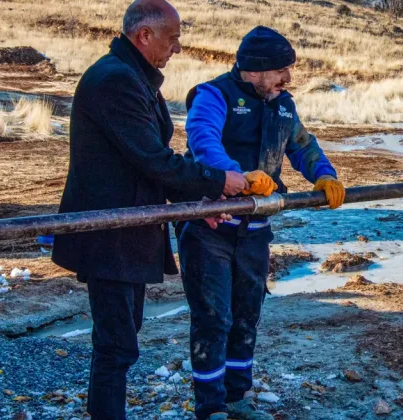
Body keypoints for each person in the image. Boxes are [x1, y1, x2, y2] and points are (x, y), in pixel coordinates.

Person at [51, 1, 248, 418]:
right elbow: (153, 160)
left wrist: (195, 206)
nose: (177, 48)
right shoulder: (116, 81)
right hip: (109, 234)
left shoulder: (133, 77)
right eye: (173, 38)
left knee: (120, 339)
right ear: (145, 35)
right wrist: (216, 181)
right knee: (116, 344)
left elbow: (149, 160)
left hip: (129, 230)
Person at [178, 26, 345, 420]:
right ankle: (211, 407)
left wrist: (324, 175)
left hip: (255, 232)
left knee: (246, 315)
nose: (288, 78)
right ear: (257, 68)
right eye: (282, 70)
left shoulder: (283, 104)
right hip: (210, 229)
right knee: (213, 317)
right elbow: (202, 140)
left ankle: (238, 397)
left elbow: (303, 145)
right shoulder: (213, 95)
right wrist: (238, 176)